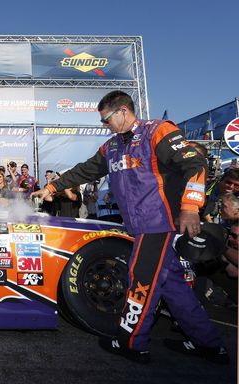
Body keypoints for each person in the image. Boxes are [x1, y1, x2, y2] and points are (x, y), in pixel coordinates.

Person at [31, 90, 228, 364]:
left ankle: (132, 342)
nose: (104, 125)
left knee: (140, 282)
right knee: (173, 286)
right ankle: (209, 344)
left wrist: (191, 206)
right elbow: (86, 169)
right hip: (139, 225)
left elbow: (194, 163)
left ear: (123, 111)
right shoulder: (112, 147)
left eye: (107, 119)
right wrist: (52, 186)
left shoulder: (157, 131)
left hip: (158, 223)